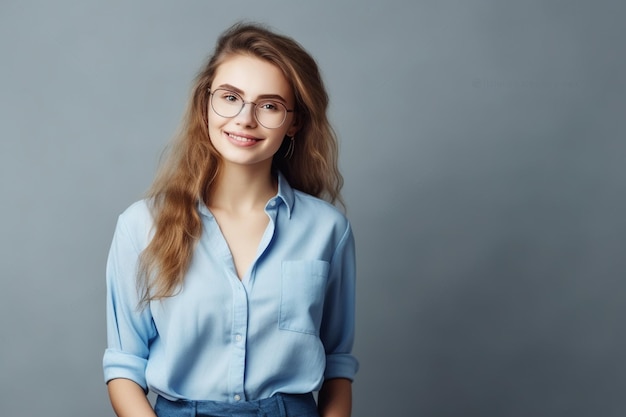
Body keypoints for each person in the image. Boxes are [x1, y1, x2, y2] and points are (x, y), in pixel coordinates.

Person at [103, 21, 358, 417]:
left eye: (269, 105)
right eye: (230, 97)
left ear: (295, 122)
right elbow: (124, 365)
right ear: (205, 103)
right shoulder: (141, 227)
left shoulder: (328, 231)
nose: (245, 118)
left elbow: (338, 362)